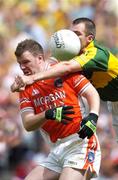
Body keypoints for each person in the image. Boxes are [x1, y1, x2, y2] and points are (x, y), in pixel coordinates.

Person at [11, 17, 118, 142]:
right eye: (71, 33)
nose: (72, 37)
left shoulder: (96, 53)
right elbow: (49, 64)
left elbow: (66, 67)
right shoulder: (72, 52)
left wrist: (31, 78)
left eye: (77, 34)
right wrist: (16, 85)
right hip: (113, 101)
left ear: (89, 39)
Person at [11, 39, 101, 180]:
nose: (22, 67)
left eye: (26, 62)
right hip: (56, 151)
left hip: (80, 144)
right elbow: (28, 124)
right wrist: (47, 114)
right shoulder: (25, 87)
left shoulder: (63, 70)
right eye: (19, 63)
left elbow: (91, 93)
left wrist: (93, 116)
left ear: (40, 58)